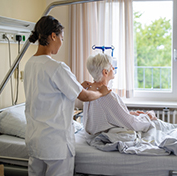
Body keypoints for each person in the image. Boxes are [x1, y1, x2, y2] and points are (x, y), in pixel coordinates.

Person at [24, 16, 111, 176]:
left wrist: (76, 85)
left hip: (35, 141)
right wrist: (100, 92)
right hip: (55, 143)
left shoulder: (29, 64)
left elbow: (48, 91)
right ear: (53, 36)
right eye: (62, 38)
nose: (62, 43)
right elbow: (83, 96)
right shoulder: (56, 66)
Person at [83, 53, 157, 135]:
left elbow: (105, 115)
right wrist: (149, 116)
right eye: (111, 66)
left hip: (91, 136)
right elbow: (133, 124)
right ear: (105, 72)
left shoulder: (88, 92)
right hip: (106, 137)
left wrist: (127, 114)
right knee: (156, 124)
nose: (113, 68)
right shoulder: (109, 96)